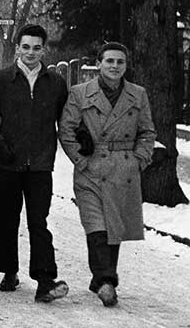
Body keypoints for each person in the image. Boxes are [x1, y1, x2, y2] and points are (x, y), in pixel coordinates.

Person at [58, 42, 155, 307]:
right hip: (91, 169)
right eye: (109, 61)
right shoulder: (80, 93)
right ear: (99, 63)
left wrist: (138, 160)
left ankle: (102, 279)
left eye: (120, 62)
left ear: (126, 66)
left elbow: (147, 132)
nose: (114, 66)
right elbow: (66, 129)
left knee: (115, 228)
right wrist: (80, 160)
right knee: (96, 226)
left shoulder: (138, 94)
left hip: (123, 168)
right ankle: (105, 281)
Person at [0, 23, 70, 303]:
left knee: (38, 221)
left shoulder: (55, 82)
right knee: (7, 219)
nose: (31, 53)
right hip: (7, 163)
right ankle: (9, 271)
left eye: (36, 47)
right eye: (25, 47)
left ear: (44, 49)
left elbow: (65, 120)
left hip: (40, 164)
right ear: (17, 48)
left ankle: (45, 279)